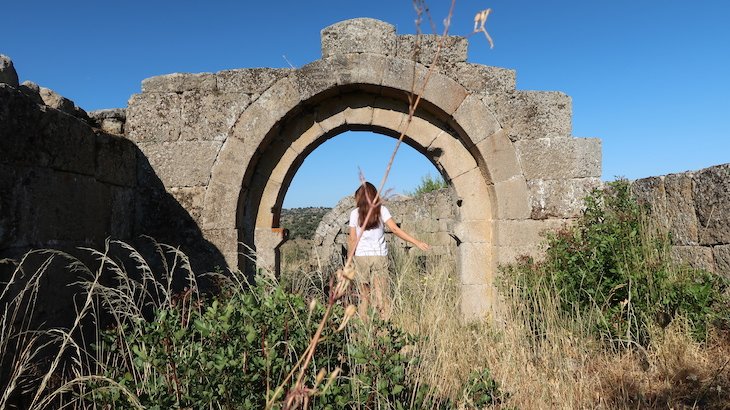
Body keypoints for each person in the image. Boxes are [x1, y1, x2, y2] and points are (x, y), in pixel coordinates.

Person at [348, 181, 430, 318]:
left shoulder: (354, 213)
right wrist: (416, 242)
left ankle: (363, 332)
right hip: (380, 256)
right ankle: (385, 328)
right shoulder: (381, 210)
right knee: (382, 296)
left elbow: (352, 239)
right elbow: (394, 229)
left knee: (364, 297)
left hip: (361, 257)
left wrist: (349, 259)